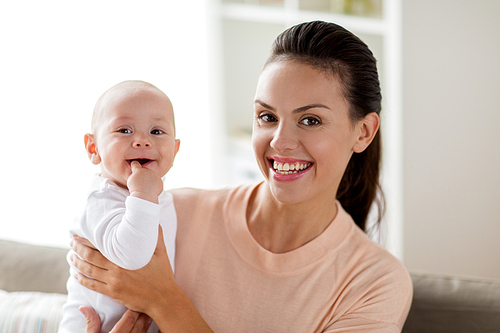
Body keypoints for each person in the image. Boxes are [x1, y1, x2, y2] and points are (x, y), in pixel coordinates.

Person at [71, 21, 413, 332]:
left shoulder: (374, 283)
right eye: (266, 116)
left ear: (363, 132)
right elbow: (88, 303)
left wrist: (164, 301)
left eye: (310, 120)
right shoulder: (166, 215)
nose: (280, 141)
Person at [58, 80, 180, 333]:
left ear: (175, 150)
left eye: (157, 132)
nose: (142, 141)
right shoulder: (101, 199)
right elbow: (133, 257)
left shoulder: (159, 198)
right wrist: (143, 193)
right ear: (94, 149)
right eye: (124, 130)